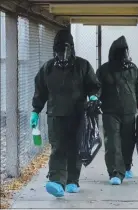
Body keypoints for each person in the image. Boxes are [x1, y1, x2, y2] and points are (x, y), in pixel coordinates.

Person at [30, 30, 101, 197]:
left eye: (65, 49)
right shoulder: (47, 68)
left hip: (78, 115)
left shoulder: (82, 66)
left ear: (72, 49)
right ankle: (56, 181)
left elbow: (94, 85)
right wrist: (35, 110)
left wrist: (93, 96)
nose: (62, 54)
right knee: (58, 147)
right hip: (55, 115)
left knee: (75, 147)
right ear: (55, 50)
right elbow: (40, 91)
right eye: (59, 50)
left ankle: (72, 180)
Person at [96, 36, 138, 185]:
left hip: (129, 112)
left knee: (128, 141)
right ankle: (115, 173)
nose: (123, 55)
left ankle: (125, 166)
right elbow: (97, 86)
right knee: (112, 142)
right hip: (110, 112)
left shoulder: (132, 69)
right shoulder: (105, 70)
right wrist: (95, 98)